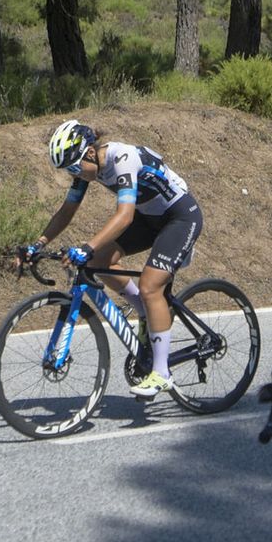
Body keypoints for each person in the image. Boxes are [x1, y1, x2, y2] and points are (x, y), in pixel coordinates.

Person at [17, 118, 206, 398]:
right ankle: (145, 309)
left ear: (91, 152)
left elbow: (125, 216)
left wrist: (88, 246)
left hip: (179, 217)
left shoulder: (122, 158)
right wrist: (38, 244)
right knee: (97, 263)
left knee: (150, 285)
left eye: (74, 167)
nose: (74, 173)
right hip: (149, 218)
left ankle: (162, 373)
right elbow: (67, 211)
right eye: (69, 170)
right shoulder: (87, 169)